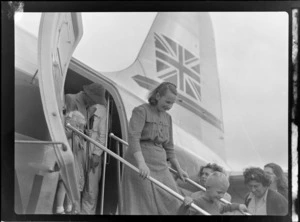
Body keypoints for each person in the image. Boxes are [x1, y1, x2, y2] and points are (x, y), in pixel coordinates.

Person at [121, 82, 188, 215]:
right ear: (157, 96)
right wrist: (141, 164)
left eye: (172, 103)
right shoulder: (141, 111)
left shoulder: (167, 118)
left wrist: (178, 169)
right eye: (167, 101)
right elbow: (133, 138)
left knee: (173, 198)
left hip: (160, 165)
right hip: (140, 161)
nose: (169, 106)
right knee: (143, 202)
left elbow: (169, 147)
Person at [55, 82, 107, 214]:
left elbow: (80, 127)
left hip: (78, 146)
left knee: (76, 179)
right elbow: (66, 124)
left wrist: (84, 133)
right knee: (66, 178)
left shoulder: (87, 107)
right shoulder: (70, 99)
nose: (95, 103)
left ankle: (70, 208)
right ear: (88, 95)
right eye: (94, 100)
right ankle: (61, 208)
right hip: (68, 144)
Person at [54, 110, 86, 214]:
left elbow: (79, 149)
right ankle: (59, 208)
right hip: (64, 161)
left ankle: (69, 206)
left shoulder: (75, 134)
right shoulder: (65, 130)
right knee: (63, 184)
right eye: (78, 125)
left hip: (72, 162)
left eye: (80, 126)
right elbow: (64, 138)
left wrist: (80, 137)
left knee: (71, 185)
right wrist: (73, 132)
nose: (79, 128)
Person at [179, 172, 248, 215]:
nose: (221, 196)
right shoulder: (197, 202)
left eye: (223, 193)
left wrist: (238, 206)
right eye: (219, 192)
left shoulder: (216, 203)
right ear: (208, 188)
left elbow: (225, 208)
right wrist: (185, 205)